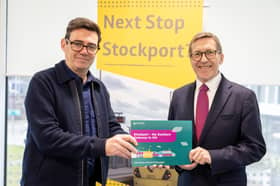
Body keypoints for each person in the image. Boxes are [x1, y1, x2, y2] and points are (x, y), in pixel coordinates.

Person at [21, 17, 137, 186]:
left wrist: (127, 140)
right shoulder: (43, 82)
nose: (84, 51)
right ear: (64, 44)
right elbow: (48, 138)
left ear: (96, 50)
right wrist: (103, 146)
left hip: (87, 181)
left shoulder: (98, 88)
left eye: (90, 46)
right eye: (77, 44)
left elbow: (111, 125)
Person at [168, 32, 266, 186]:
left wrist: (212, 156)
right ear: (191, 60)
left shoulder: (243, 97)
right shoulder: (178, 95)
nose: (203, 59)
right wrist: (178, 162)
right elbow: (173, 142)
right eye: (197, 54)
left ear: (221, 57)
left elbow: (255, 148)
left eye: (210, 53)